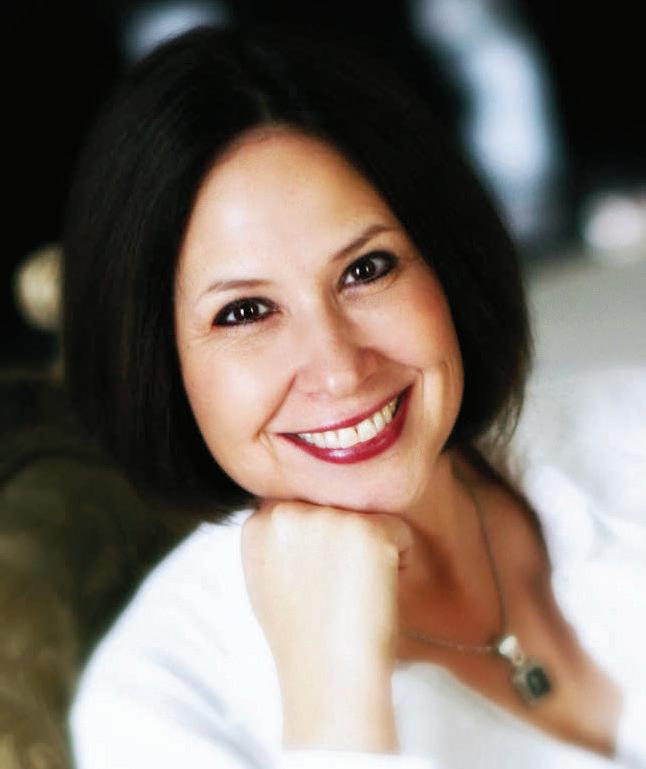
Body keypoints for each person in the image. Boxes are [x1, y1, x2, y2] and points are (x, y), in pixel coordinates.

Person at [63, 25, 646, 769]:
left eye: (366, 269)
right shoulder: (155, 707)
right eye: (245, 312)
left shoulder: (630, 425)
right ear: (158, 361)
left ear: (444, 262)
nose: (339, 369)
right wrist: (333, 703)